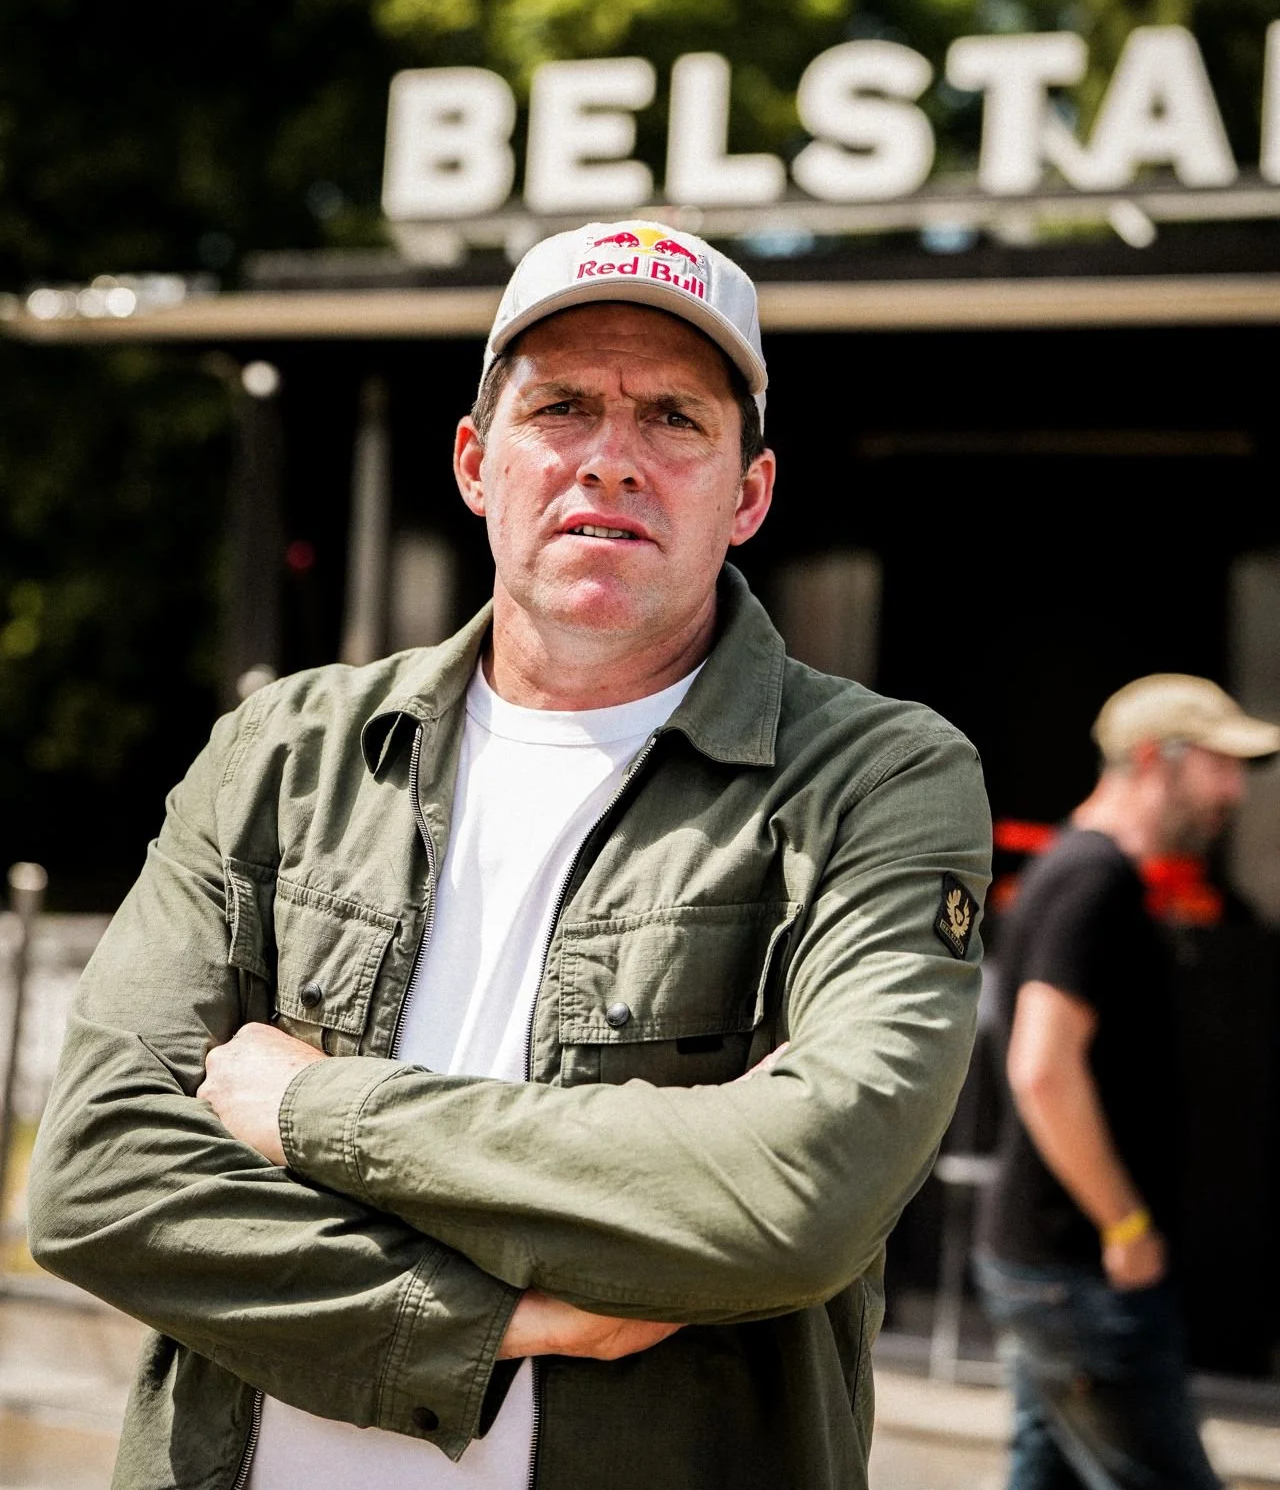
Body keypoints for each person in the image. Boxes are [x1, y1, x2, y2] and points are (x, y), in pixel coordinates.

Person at [29, 218, 991, 1490]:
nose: (610, 460)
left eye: (673, 418)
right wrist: (493, 1325)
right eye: (562, 408)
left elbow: (796, 1195)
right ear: (478, 462)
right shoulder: (284, 749)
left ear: (747, 492)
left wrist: (312, 1108)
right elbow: (98, 1177)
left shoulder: (874, 777)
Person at [976, 673, 1280, 1490]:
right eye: (1221, 766)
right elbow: (1041, 1069)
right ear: (1156, 761)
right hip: (1082, 1273)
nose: (1233, 791)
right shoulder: (1093, 877)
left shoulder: (1081, 868)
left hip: (1050, 1268)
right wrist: (1126, 1226)